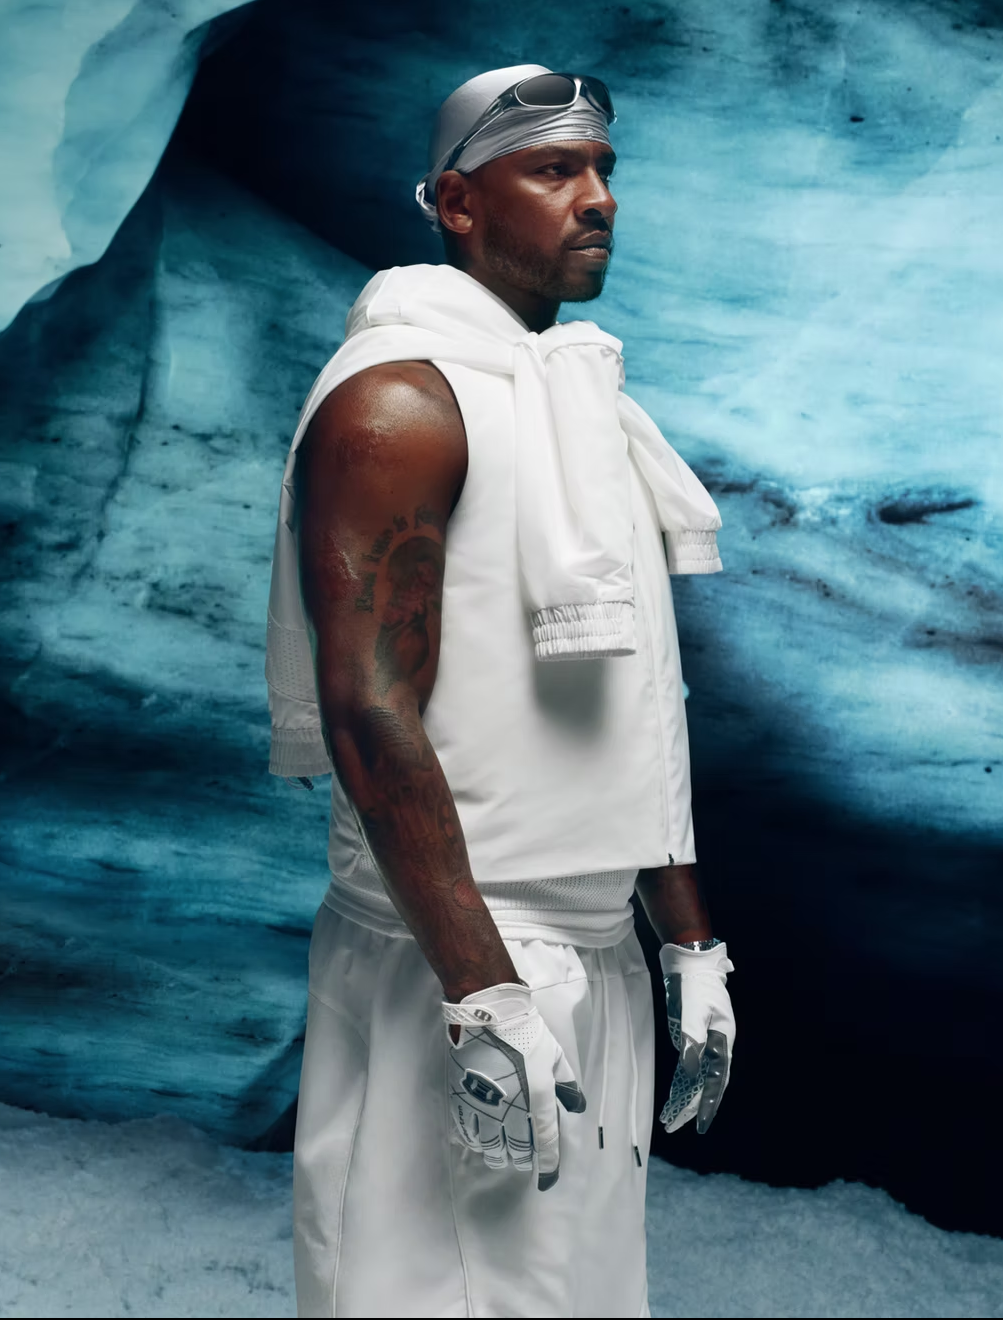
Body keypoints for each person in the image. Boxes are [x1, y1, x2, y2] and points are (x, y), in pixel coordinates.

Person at [264, 64, 737, 1319]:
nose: (596, 201)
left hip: (591, 943)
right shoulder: (400, 402)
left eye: (604, 171)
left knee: (567, 1294)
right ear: (456, 202)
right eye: (552, 170)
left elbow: (635, 698)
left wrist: (688, 938)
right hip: (460, 950)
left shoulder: (580, 400)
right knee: (431, 1292)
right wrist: (481, 991)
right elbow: (370, 709)